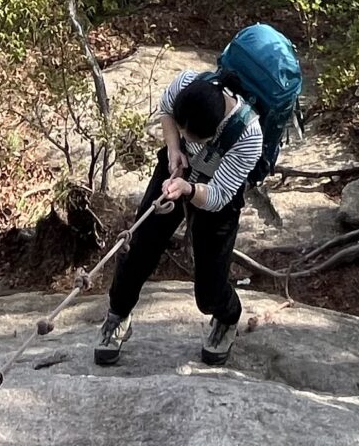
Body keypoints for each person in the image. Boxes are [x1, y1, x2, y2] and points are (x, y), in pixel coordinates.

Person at [94, 67, 261, 366]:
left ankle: (227, 316)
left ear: (214, 132)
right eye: (183, 130)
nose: (185, 136)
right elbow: (167, 110)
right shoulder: (187, 83)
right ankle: (118, 314)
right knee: (139, 246)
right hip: (178, 167)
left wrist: (188, 189)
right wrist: (174, 148)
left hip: (215, 190)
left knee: (209, 288)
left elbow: (219, 195)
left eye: (191, 135)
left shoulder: (248, 135)